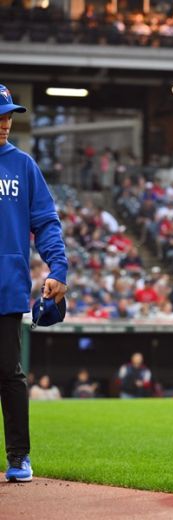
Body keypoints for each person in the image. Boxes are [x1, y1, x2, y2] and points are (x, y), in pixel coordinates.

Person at [0, 85, 68, 482]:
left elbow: (45, 222)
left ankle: (19, 457)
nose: (5, 122)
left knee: (9, 374)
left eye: (8, 115)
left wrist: (58, 268)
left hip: (6, 288)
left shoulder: (23, 165)